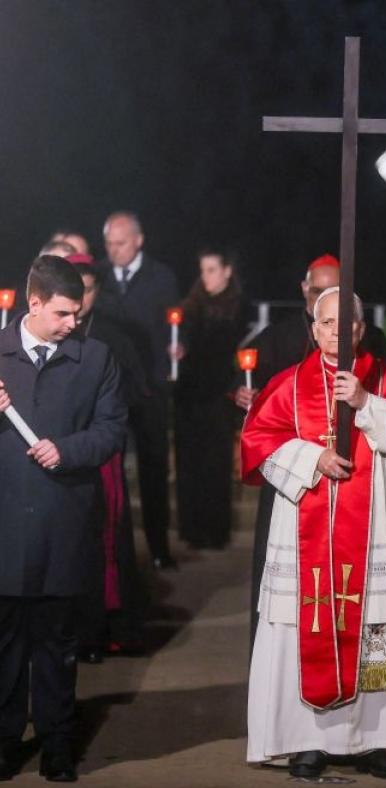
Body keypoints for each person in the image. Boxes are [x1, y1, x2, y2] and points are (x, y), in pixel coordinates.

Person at [242, 286, 386, 779]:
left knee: (376, 626)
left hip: (374, 529)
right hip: (305, 531)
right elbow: (257, 441)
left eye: (346, 324)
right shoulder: (288, 385)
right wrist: (312, 457)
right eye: (327, 323)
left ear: (361, 329)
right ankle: (306, 741)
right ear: (314, 330)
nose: (337, 332)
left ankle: (377, 740)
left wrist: (367, 402)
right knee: (303, 625)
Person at [0, 256, 126, 782]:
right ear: (33, 304)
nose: (73, 323)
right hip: (5, 525)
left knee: (56, 646)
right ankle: (5, 744)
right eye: (62, 313)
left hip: (64, 525)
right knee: (4, 648)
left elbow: (113, 429)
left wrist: (68, 450)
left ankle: (56, 745)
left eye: (77, 312)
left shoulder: (95, 358)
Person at [234, 253, 386, 646]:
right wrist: (243, 394)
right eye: (319, 291)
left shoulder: (370, 339)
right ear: (305, 290)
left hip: (353, 476)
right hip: (295, 480)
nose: (325, 300)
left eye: (335, 290)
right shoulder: (278, 336)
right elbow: (252, 398)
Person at [70, 254, 147, 661]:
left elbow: (137, 389)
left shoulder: (112, 336)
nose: (81, 300)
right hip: (62, 452)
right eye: (74, 290)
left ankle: (108, 627)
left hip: (102, 454)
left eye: (88, 290)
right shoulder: (53, 334)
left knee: (106, 540)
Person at [96, 211, 180, 569]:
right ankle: (109, 552)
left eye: (121, 243)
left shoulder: (162, 277)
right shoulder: (96, 277)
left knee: (153, 468)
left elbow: (177, 323)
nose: (114, 250)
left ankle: (159, 547)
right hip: (108, 389)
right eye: (109, 244)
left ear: (139, 240)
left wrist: (180, 344)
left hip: (149, 389)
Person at [174, 248, 246, 549]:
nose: (206, 277)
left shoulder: (238, 305)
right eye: (203, 270)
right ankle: (191, 530)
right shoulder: (192, 305)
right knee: (189, 461)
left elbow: (226, 346)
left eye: (212, 270)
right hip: (190, 393)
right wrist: (177, 349)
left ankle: (216, 531)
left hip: (219, 393)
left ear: (227, 271)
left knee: (215, 464)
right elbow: (180, 336)